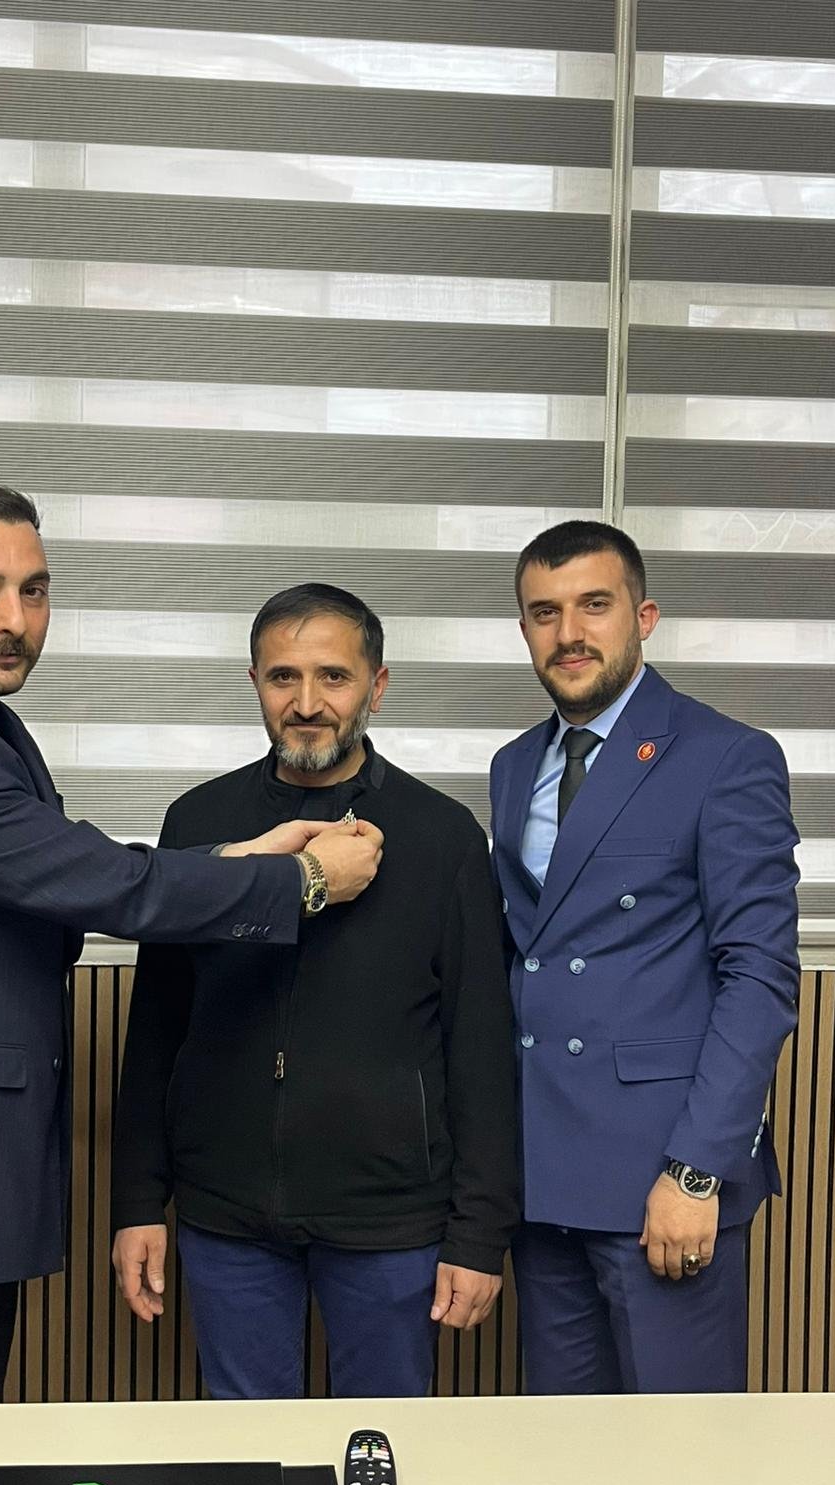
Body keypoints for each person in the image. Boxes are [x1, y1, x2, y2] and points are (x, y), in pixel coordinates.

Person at [0, 481, 382, 1407]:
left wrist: (238, 856)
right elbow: (105, 884)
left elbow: (48, 867)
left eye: (34, 589)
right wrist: (303, 881)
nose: (13, 619)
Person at [111, 583, 519, 1399]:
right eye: (282, 677)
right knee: (248, 1447)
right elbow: (157, 1028)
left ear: (377, 686)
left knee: (383, 1440)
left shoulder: (443, 836)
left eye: (333, 676)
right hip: (225, 1211)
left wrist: (479, 1233)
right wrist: (136, 1201)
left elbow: (480, 1044)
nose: (306, 704)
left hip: (391, 1215)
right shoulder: (199, 823)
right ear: (254, 683)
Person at [489, 520, 799, 1394]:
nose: (569, 633)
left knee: (679, 1449)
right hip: (543, 1175)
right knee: (565, 1445)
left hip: (662, 1178)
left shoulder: (726, 756)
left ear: (644, 616)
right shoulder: (513, 765)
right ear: (524, 631)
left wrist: (696, 1172)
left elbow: (759, 978)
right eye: (544, 613)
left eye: (595, 605)